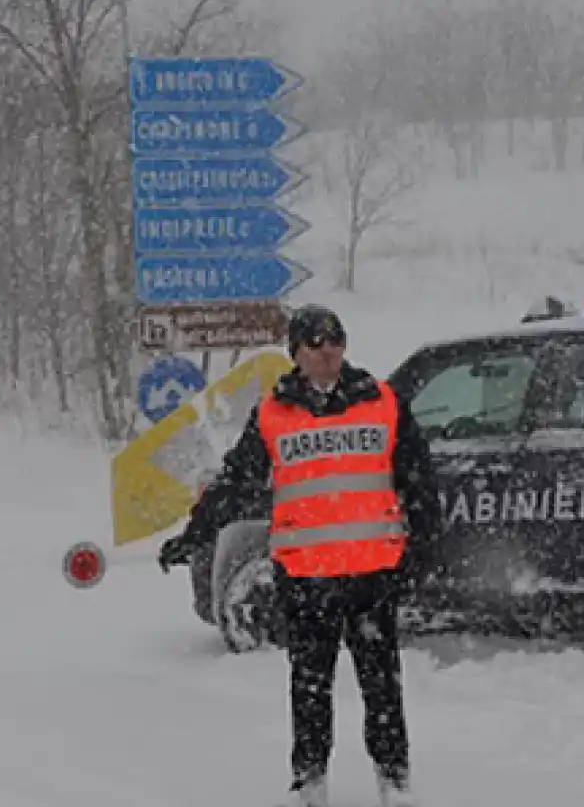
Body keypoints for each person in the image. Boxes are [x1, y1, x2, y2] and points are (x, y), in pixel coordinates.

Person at [159, 305, 441, 807]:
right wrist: (194, 534)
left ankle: (394, 780)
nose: (327, 349)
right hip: (307, 577)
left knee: (382, 687)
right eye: (315, 341)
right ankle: (309, 783)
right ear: (296, 353)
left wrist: (422, 546)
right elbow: (235, 481)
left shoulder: (382, 402)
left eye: (335, 339)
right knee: (310, 689)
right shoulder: (272, 413)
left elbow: (417, 479)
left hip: (370, 573)